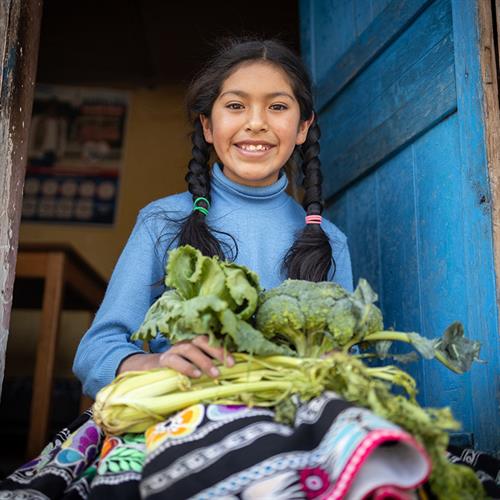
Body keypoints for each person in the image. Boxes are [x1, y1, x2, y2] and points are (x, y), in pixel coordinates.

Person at [1, 38, 439, 499]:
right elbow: (95, 349)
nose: (256, 123)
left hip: (290, 423)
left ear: (303, 126)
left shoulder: (330, 242)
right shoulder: (163, 221)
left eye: (277, 107)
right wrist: (155, 361)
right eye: (235, 105)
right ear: (208, 126)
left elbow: (345, 363)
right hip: (185, 417)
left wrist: (331, 368)